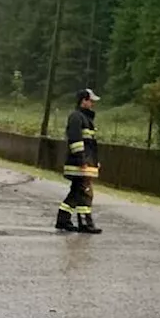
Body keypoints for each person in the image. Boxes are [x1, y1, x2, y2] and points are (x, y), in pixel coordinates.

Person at [56, 88, 102, 234]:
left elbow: (90, 145)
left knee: (79, 193)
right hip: (79, 164)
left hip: (85, 163)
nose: (92, 104)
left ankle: (69, 221)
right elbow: (76, 141)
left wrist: (95, 161)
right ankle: (81, 223)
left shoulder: (85, 118)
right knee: (82, 192)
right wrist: (82, 160)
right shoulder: (77, 117)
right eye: (90, 101)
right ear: (83, 101)